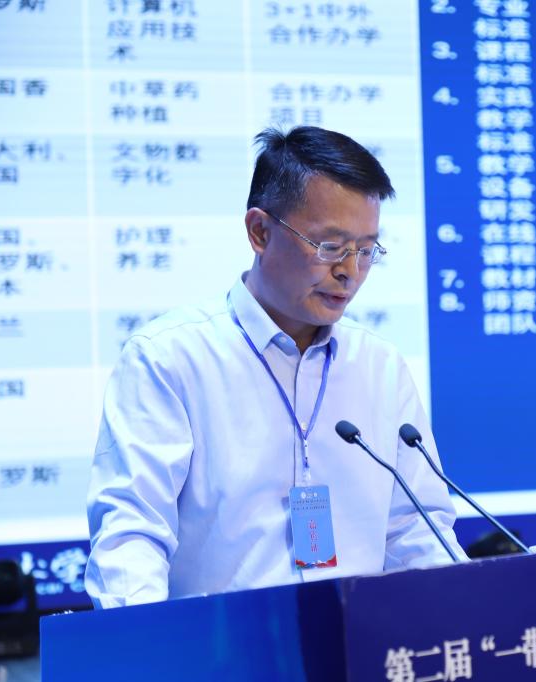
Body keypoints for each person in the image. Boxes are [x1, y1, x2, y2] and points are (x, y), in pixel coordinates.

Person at [85, 126, 465, 609]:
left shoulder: (379, 366)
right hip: (222, 646)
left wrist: (466, 617)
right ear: (260, 232)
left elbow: (416, 530)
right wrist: (148, 642)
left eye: (366, 250)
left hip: (358, 644)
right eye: (330, 246)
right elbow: (133, 534)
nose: (349, 271)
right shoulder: (169, 358)